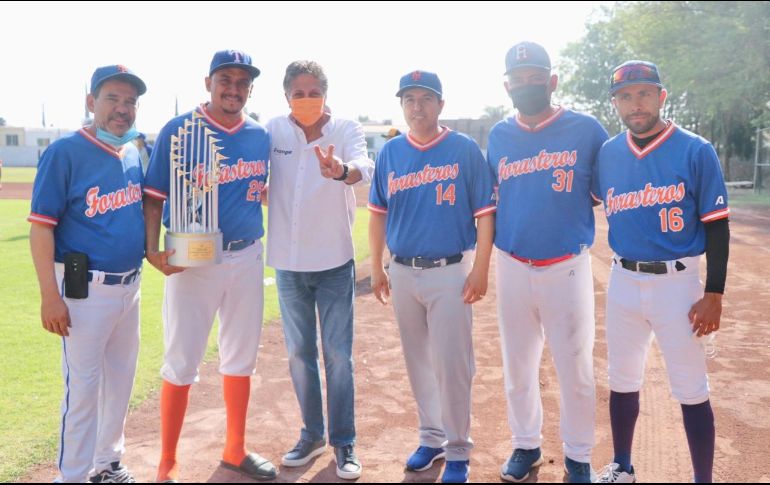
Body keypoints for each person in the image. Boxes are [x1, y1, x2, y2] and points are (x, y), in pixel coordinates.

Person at [593, 61, 730, 484]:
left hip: (679, 283)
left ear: (661, 97)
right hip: (623, 280)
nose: (636, 103)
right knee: (622, 378)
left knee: (691, 387)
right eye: (626, 96)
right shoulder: (609, 153)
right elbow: (587, 199)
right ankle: (622, 465)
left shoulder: (695, 149)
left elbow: (717, 225)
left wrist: (714, 293)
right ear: (615, 102)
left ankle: (702, 479)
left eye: (644, 93)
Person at [143, 50, 276, 483]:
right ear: (208, 82)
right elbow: (154, 196)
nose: (233, 88)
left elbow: (263, 189)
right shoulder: (180, 130)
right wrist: (151, 249)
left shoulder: (259, 135)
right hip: (193, 259)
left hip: (247, 254)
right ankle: (167, 461)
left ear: (250, 89)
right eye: (226, 79)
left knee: (241, 357)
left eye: (242, 81)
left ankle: (235, 449)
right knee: (181, 358)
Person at [486, 41, 609, 483]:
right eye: (518, 79)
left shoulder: (587, 130)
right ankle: (526, 446)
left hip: (567, 266)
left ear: (552, 81)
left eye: (535, 76)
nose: (526, 84)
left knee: (574, 367)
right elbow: (491, 206)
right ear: (507, 85)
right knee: (518, 367)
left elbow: (610, 190)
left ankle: (577, 456)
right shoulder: (499, 135)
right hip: (513, 265)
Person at [369, 70, 496, 484]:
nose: (417, 106)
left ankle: (458, 449)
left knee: (453, 363)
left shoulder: (463, 150)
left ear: (441, 104)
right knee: (418, 361)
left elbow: (485, 215)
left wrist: (479, 269)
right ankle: (431, 437)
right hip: (403, 270)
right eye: (409, 99)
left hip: (450, 270)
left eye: (425, 98)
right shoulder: (390, 153)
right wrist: (376, 267)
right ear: (402, 105)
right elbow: (378, 214)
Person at [28, 64, 147, 483]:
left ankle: (107, 463)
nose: (122, 109)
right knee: (82, 391)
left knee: (119, 382)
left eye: (130, 101)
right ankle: (73, 476)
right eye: (112, 98)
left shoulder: (133, 150)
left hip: (130, 288)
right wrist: (49, 295)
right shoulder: (65, 153)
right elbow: (41, 226)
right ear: (91, 102)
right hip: (84, 291)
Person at [265, 60, 374, 480]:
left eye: (313, 91)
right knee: (298, 353)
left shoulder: (346, 130)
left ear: (325, 94)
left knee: (338, 355)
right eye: (298, 91)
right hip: (288, 265)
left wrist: (341, 171)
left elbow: (365, 167)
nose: (306, 99)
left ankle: (343, 441)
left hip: (333, 262)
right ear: (286, 94)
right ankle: (311, 433)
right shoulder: (272, 130)